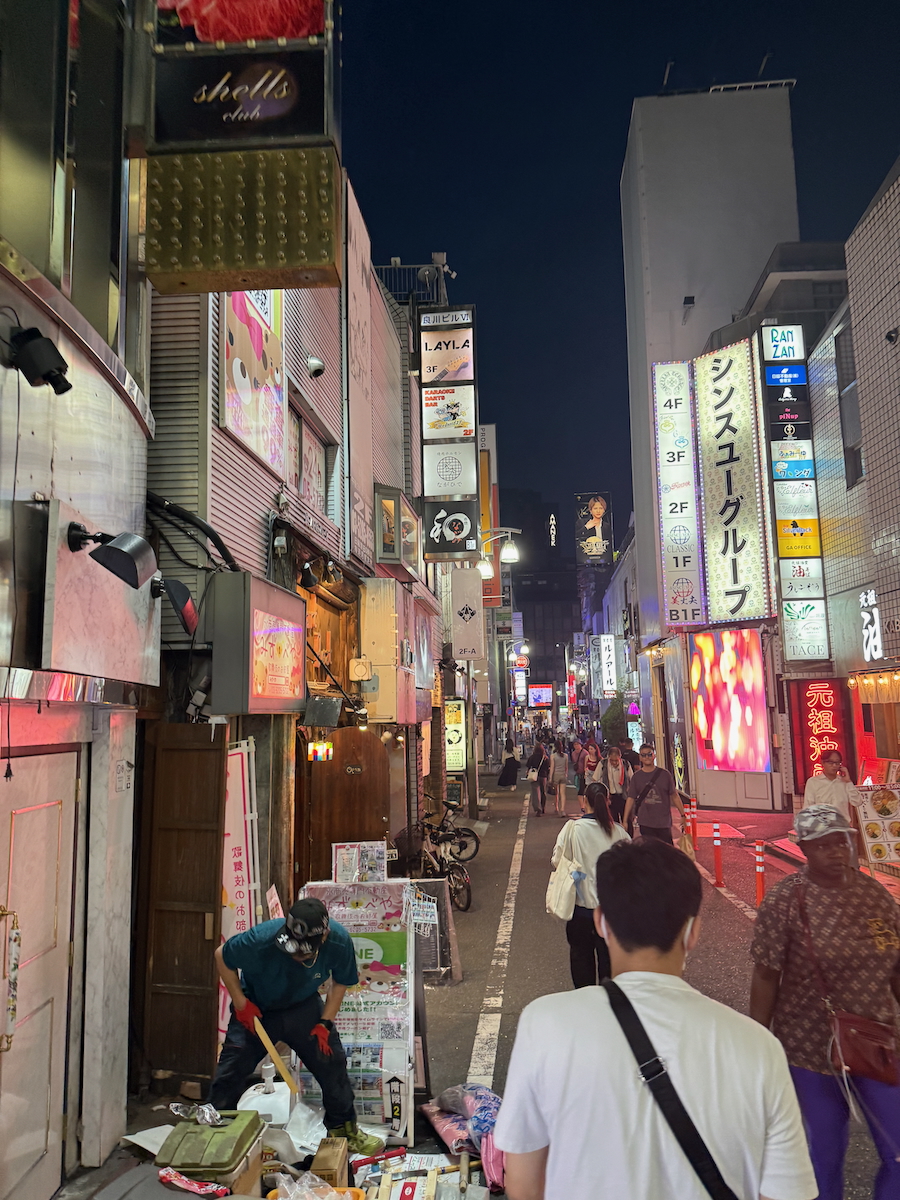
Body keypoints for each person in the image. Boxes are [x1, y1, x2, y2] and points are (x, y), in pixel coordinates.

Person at [496, 839, 817, 1200]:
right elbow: (785, 1192)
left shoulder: (544, 1025)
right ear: (692, 932)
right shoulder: (760, 1049)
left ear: (601, 922)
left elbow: (523, 1184)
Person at [750, 805, 900, 1200]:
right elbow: (765, 975)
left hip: (877, 1043)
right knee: (824, 1157)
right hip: (809, 1048)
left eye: (841, 842)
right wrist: (759, 1043)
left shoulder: (874, 895)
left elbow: (895, 965)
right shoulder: (785, 900)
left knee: (898, 1152)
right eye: (823, 845)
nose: (836, 851)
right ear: (803, 848)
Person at [209, 898, 384, 1155]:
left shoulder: (338, 941)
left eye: (304, 953)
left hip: (304, 1006)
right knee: (231, 1069)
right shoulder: (261, 938)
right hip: (257, 1007)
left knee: (332, 1063)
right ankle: (214, 1135)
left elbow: (340, 982)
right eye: (292, 950)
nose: (297, 956)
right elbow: (222, 956)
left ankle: (343, 1130)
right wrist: (241, 1003)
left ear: (324, 936)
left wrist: (325, 1022)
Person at [550, 781, 629, 987]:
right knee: (609, 968)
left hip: (581, 910)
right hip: (611, 914)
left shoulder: (573, 830)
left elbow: (557, 861)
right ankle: (607, 1003)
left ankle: (586, 1003)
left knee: (581, 962)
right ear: (608, 801)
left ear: (584, 802)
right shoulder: (619, 833)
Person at [622, 743, 685, 844]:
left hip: (663, 822)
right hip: (645, 822)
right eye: (643, 755)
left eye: (649, 754)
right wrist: (625, 820)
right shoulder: (636, 777)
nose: (647, 757)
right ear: (640, 758)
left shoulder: (665, 775)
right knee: (650, 850)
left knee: (666, 849)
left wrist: (683, 815)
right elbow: (630, 799)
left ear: (654, 756)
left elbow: (674, 796)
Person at [801, 750, 862, 821]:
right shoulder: (813, 782)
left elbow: (857, 802)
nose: (834, 765)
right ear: (822, 763)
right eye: (830, 762)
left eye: (837, 763)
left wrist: (848, 782)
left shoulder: (844, 782)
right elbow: (808, 807)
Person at [596, 744, 633, 824]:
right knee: (613, 822)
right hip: (610, 797)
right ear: (608, 757)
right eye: (612, 760)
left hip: (623, 796)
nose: (614, 763)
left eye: (616, 760)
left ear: (620, 757)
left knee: (627, 820)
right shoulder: (603, 764)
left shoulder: (626, 764)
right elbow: (595, 779)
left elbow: (632, 779)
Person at [526, 739, 550, 816]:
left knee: (535, 793)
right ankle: (543, 807)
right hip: (543, 776)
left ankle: (538, 808)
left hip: (534, 776)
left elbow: (528, 766)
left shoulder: (532, 757)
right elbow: (548, 767)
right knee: (543, 792)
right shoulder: (545, 758)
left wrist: (527, 773)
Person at [548, 739, 571, 816]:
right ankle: (562, 810)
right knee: (562, 793)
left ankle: (556, 807)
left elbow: (552, 768)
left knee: (556, 793)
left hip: (556, 775)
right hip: (563, 775)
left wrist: (550, 778)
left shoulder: (553, 756)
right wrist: (566, 774)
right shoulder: (565, 756)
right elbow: (566, 767)